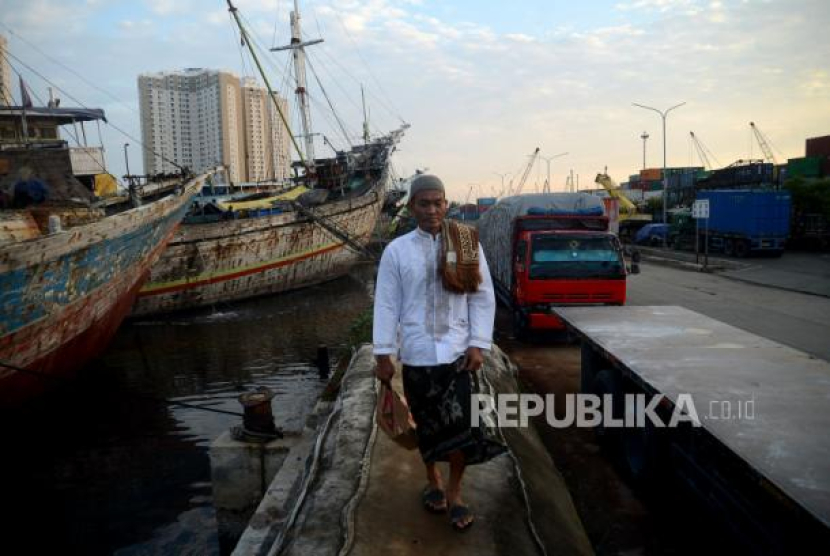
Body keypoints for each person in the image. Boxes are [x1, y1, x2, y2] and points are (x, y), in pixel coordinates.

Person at [372, 174, 504, 532]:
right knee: (426, 429)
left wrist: (478, 344)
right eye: (424, 203)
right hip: (416, 356)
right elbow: (386, 305)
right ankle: (433, 480)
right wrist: (383, 354)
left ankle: (456, 492)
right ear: (412, 206)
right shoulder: (396, 251)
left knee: (462, 426)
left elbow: (482, 296)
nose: (432, 209)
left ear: (447, 204)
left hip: (458, 355)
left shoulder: (465, 243)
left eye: (438, 202)